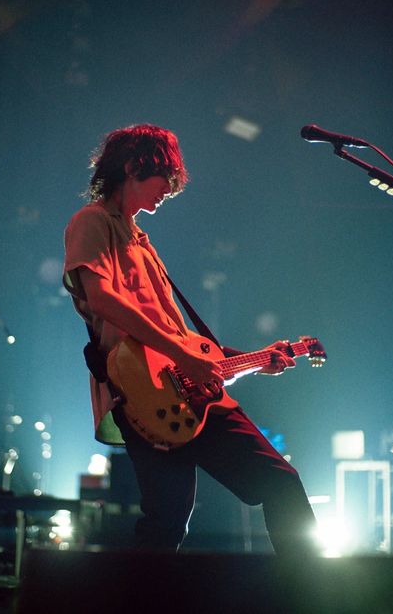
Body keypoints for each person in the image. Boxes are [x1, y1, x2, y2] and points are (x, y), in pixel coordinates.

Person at [63, 123, 318, 556]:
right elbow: (100, 297)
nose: (169, 191)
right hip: (144, 392)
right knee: (167, 519)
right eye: (166, 179)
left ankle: (308, 597)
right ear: (133, 166)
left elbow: (181, 338)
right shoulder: (91, 221)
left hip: (190, 394)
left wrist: (257, 359)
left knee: (280, 481)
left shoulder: (143, 242)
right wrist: (181, 350)